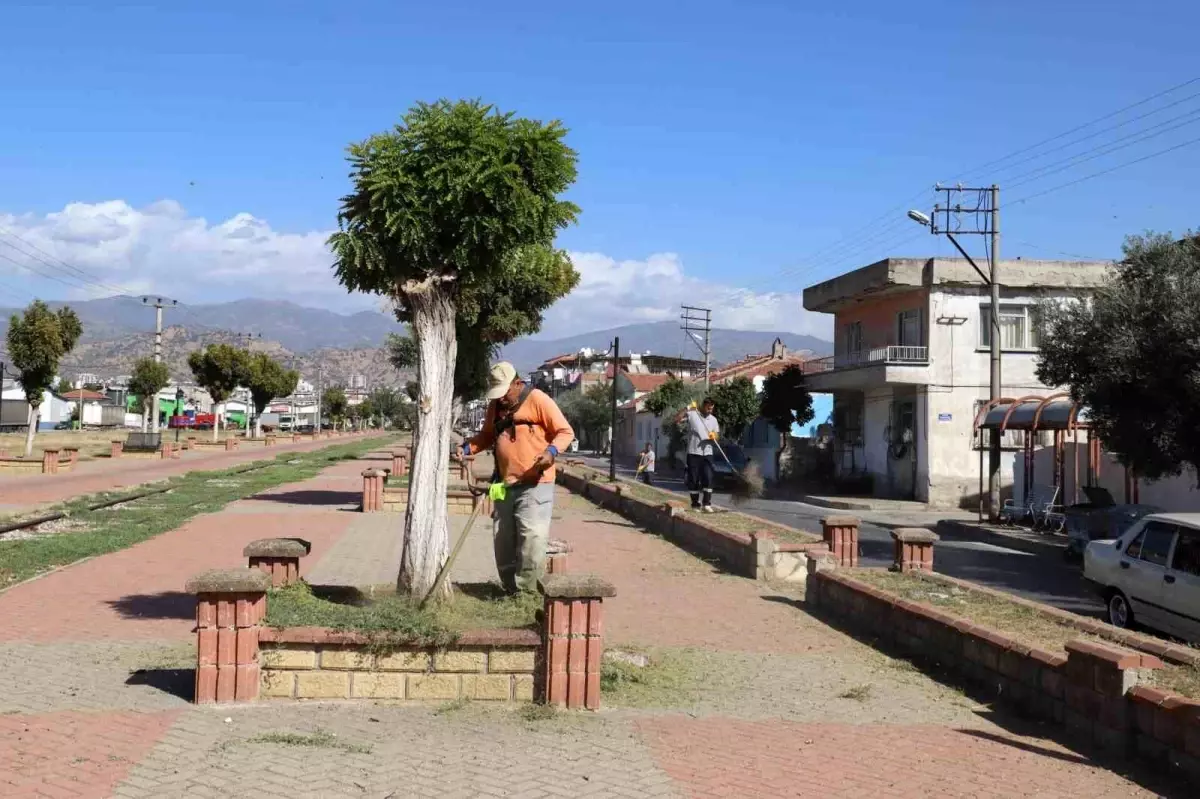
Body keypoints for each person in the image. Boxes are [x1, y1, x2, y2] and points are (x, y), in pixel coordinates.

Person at [462, 362, 574, 593]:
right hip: (505, 483)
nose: (501, 398)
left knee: (531, 538)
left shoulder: (538, 399)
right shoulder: (495, 407)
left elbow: (565, 432)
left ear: (517, 383)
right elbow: (486, 436)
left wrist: (550, 453)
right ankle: (509, 589)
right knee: (503, 539)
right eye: (497, 394)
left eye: (504, 392)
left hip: (535, 484)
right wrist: (466, 449)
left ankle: (528, 592)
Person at [674, 397, 719, 512]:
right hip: (693, 453)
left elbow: (717, 436)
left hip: (707, 452)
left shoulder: (713, 420)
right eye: (708, 408)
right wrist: (688, 407)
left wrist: (714, 436)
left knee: (708, 478)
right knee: (693, 480)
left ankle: (706, 504)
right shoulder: (693, 415)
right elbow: (677, 419)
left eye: (712, 409)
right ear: (703, 406)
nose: (710, 411)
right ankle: (695, 504)